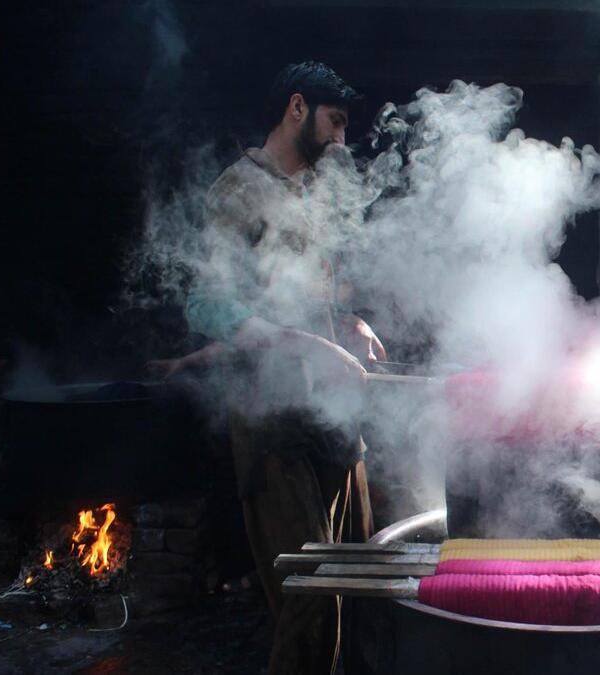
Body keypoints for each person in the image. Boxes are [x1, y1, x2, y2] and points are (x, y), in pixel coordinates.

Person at [150, 61, 380, 675]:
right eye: (335, 122)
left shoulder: (312, 192)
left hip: (332, 413)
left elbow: (314, 294)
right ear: (297, 108)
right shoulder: (237, 189)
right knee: (313, 593)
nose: (341, 139)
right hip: (271, 418)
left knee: (360, 568)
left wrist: (349, 322)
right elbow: (207, 302)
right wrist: (291, 341)